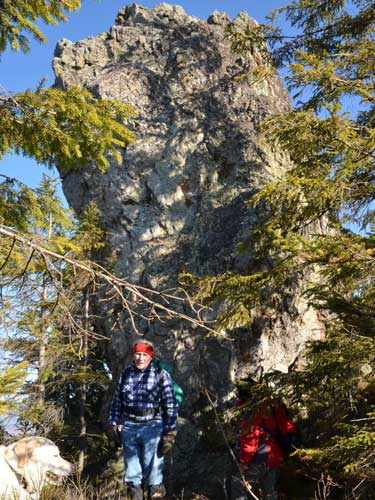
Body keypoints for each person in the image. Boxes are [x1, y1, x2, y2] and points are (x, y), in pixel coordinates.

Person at [108, 340, 179, 500]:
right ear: (133, 355)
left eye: (145, 354)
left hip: (152, 426)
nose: (141, 358)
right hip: (129, 427)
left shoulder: (160, 374)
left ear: (150, 356)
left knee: (154, 471)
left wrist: (170, 432)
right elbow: (116, 402)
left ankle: (155, 495)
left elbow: (170, 404)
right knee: (132, 474)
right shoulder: (125, 374)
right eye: (138, 354)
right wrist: (112, 424)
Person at [232, 397, 296, 500]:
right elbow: (287, 428)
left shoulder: (255, 409)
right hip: (275, 456)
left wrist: (244, 461)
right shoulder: (272, 405)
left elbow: (251, 438)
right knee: (269, 492)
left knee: (237, 483)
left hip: (261, 457)